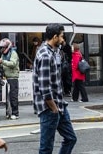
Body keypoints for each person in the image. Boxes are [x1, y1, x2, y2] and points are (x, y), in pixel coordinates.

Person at [34, 23, 76, 154]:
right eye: (62, 36)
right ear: (55, 36)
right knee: (46, 148)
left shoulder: (54, 51)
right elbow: (44, 87)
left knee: (71, 138)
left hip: (59, 104)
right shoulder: (45, 55)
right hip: (49, 107)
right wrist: (53, 108)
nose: (63, 40)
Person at [0, 38, 20, 119]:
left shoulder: (13, 53)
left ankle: (15, 113)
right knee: (7, 98)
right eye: (1, 48)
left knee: (13, 96)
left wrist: (2, 61)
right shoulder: (4, 54)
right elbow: (3, 65)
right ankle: (8, 113)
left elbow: (13, 64)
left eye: (3, 47)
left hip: (13, 78)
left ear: (7, 46)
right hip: (7, 77)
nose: (2, 49)